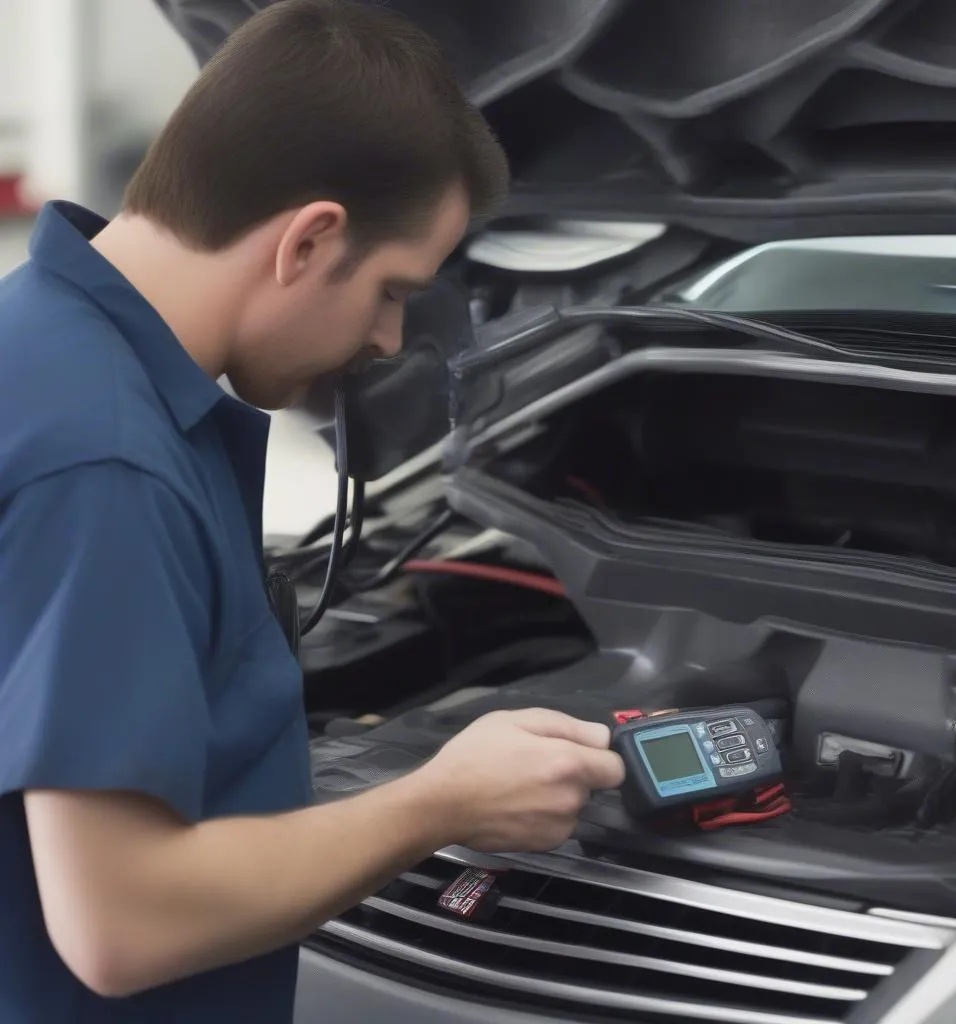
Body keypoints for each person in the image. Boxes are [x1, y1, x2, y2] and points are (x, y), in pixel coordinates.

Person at [0, 1, 625, 1021]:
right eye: (390, 290)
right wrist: (440, 801)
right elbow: (124, 923)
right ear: (308, 239)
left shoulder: (40, 338)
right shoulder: (106, 462)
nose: (387, 341)